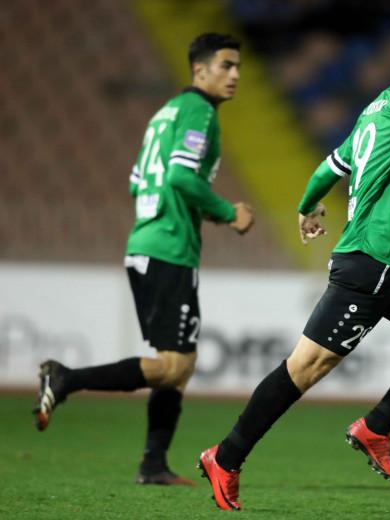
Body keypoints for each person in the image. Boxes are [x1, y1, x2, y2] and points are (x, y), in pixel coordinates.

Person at [197, 24, 390, 511]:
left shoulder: (377, 107)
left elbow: (332, 165)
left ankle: (376, 426)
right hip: (369, 263)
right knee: (304, 368)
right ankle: (226, 456)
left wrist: (307, 205)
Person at [33, 33, 254, 486]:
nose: (235, 74)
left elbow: (139, 180)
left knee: (177, 365)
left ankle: (153, 464)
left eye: (237, 66)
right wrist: (228, 212)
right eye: (226, 65)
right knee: (174, 366)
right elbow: (180, 176)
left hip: (147, 245)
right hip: (168, 249)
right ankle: (66, 378)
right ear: (200, 70)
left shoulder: (164, 113)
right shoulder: (199, 111)